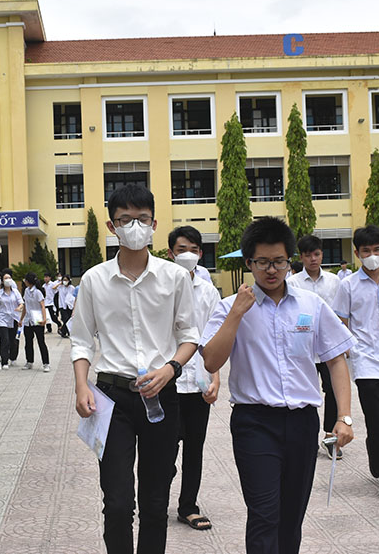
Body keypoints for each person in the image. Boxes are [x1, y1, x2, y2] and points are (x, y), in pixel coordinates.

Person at [201, 216, 354, 554]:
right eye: (263, 262)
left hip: (301, 422)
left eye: (280, 262)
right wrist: (236, 315)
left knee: (291, 517)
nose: (272, 270)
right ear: (249, 263)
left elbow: (336, 360)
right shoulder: (229, 308)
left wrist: (344, 416)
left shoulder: (311, 306)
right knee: (264, 514)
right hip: (254, 423)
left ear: (290, 260)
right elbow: (211, 360)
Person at [72, 184, 199, 554]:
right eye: (125, 219)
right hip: (111, 398)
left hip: (162, 395)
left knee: (156, 502)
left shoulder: (174, 278)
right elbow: (81, 340)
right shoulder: (94, 279)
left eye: (142, 219)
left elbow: (190, 334)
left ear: (154, 223)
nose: (134, 227)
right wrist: (82, 386)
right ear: (112, 226)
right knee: (117, 503)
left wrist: (171, 368)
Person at [332, 225, 379, 503]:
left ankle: (375, 450)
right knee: (376, 420)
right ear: (357, 254)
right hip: (366, 361)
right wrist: (350, 348)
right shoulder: (348, 285)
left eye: (377, 250)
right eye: (366, 251)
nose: (372, 255)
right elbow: (341, 320)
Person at [167, 226, 220, 531]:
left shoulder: (209, 291)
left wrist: (215, 377)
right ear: (171, 252)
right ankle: (157, 501)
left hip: (198, 382)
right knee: (164, 449)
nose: (187, 254)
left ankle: (188, 506)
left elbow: (213, 337)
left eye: (194, 249)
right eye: (181, 248)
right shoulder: (160, 285)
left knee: (194, 448)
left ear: (201, 253)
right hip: (167, 380)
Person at [287, 234, 342, 459]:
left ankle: (330, 435)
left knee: (333, 390)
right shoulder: (291, 283)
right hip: (302, 346)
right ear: (301, 257)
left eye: (317, 254)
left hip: (327, 346)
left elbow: (339, 314)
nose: (313, 259)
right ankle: (304, 436)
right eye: (308, 255)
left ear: (322, 254)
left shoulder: (334, 281)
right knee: (303, 390)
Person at [0, 271, 22, 368]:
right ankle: (4, 361)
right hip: (2, 318)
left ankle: (13, 358)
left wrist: (19, 308)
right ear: (2, 281)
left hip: (13, 318)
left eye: (9, 278)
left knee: (12, 340)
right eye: (5, 278)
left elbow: (21, 303)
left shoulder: (15, 292)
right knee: (4, 339)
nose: (8, 280)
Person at [20, 272, 50, 372]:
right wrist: (21, 319)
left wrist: (44, 319)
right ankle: (29, 361)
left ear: (29, 281)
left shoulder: (37, 292)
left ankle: (46, 363)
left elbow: (42, 306)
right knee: (28, 342)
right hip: (28, 320)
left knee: (41, 342)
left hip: (37, 319)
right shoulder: (26, 291)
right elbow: (25, 306)